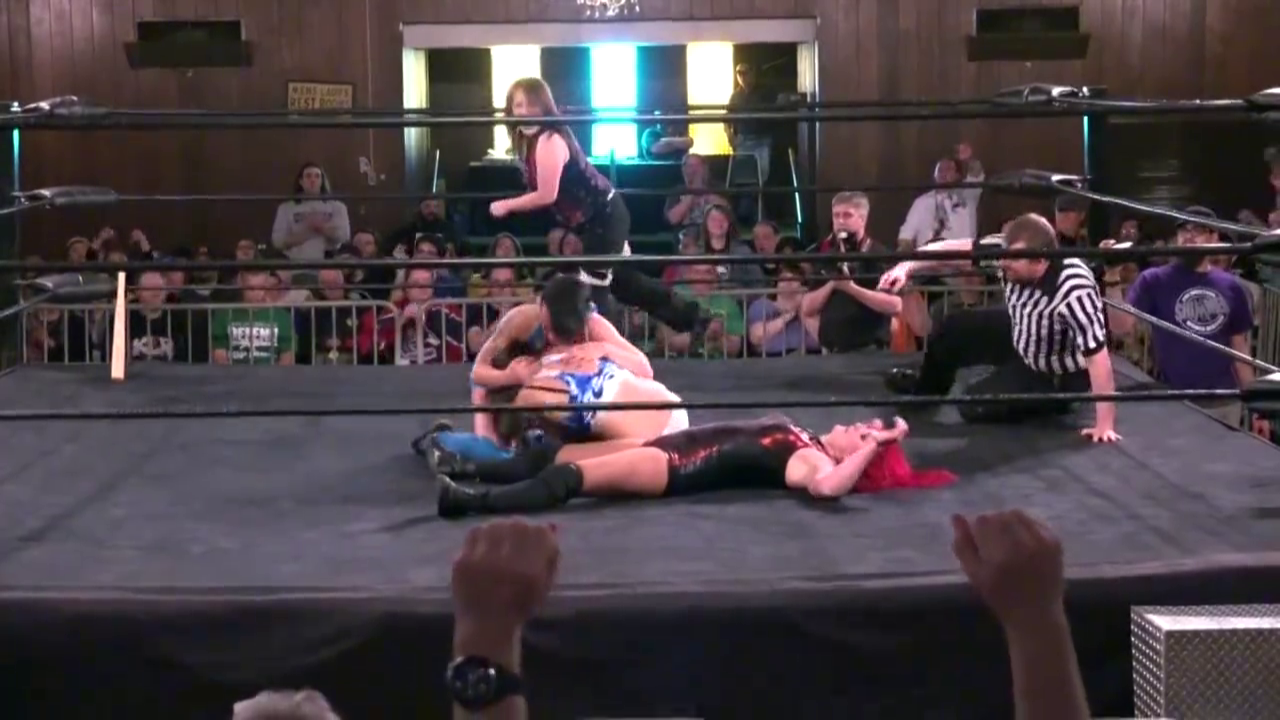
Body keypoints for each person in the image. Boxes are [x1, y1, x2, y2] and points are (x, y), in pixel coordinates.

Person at [489, 77, 706, 335]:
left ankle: (603, 350)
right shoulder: (534, 141)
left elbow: (547, 195)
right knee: (624, 283)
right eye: (518, 105)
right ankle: (689, 316)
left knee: (594, 289)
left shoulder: (549, 140)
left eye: (531, 104)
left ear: (544, 105)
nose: (524, 111)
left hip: (603, 218)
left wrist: (506, 205)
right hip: (596, 219)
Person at [878, 213, 1121, 442]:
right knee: (951, 329)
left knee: (974, 404)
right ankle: (926, 392)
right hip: (1023, 329)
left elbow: (1097, 356)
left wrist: (1104, 425)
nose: (1003, 263)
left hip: (1054, 370)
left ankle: (1057, 403)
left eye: (1013, 259)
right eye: (1004, 255)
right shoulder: (1007, 251)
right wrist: (906, 267)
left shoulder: (1073, 286)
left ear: (1040, 260)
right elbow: (953, 249)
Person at [437, 416, 957, 518]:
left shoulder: (813, 459)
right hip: (673, 444)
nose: (858, 425)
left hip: (677, 464)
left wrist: (875, 446)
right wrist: (875, 440)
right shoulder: (810, 437)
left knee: (570, 479)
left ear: (852, 456)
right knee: (551, 457)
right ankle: (465, 468)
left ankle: (470, 503)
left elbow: (826, 489)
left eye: (863, 433)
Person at [424, 275, 651, 462]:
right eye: (548, 329)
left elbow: (644, 368)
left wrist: (603, 349)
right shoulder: (521, 320)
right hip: (507, 390)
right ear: (541, 305)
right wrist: (510, 376)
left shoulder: (595, 327)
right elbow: (478, 373)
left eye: (562, 334)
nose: (552, 338)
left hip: (557, 400)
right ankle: (440, 440)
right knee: (496, 454)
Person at [1104, 206, 1267, 434]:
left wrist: (1258, 409)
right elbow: (1121, 327)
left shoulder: (1231, 287)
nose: (1189, 236)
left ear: (1214, 238)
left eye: (1197, 230)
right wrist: (1112, 276)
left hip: (1223, 402)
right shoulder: (1154, 280)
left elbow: (1240, 350)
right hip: (1174, 401)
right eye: (1184, 230)